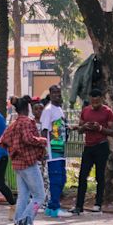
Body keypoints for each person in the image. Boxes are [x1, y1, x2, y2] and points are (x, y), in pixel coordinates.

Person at [0, 95, 48, 225]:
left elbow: (3, 141)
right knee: (39, 196)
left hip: (17, 164)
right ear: (27, 108)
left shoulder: (14, 123)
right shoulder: (27, 121)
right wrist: (42, 141)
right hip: (29, 164)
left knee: (24, 196)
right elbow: (28, 138)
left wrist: (16, 149)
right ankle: (23, 222)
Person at [73, 90, 113, 215]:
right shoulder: (85, 111)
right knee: (82, 176)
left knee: (99, 176)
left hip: (101, 146)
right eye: (93, 101)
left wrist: (100, 128)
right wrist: (85, 127)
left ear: (102, 99)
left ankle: (98, 204)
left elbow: (112, 132)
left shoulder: (108, 112)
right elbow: (80, 129)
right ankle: (79, 206)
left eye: (97, 101)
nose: (95, 103)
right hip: (88, 147)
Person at [38, 85, 68, 218]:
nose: (57, 95)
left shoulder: (59, 109)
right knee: (56, 179)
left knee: (62, 179)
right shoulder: (48, 110)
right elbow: (44, 131)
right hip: (52, 151)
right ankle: (54, 208)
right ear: (50, 94)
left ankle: (51, 206)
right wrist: (44, 149)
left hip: (61, 150)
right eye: (54, 93)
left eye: (59, 92)